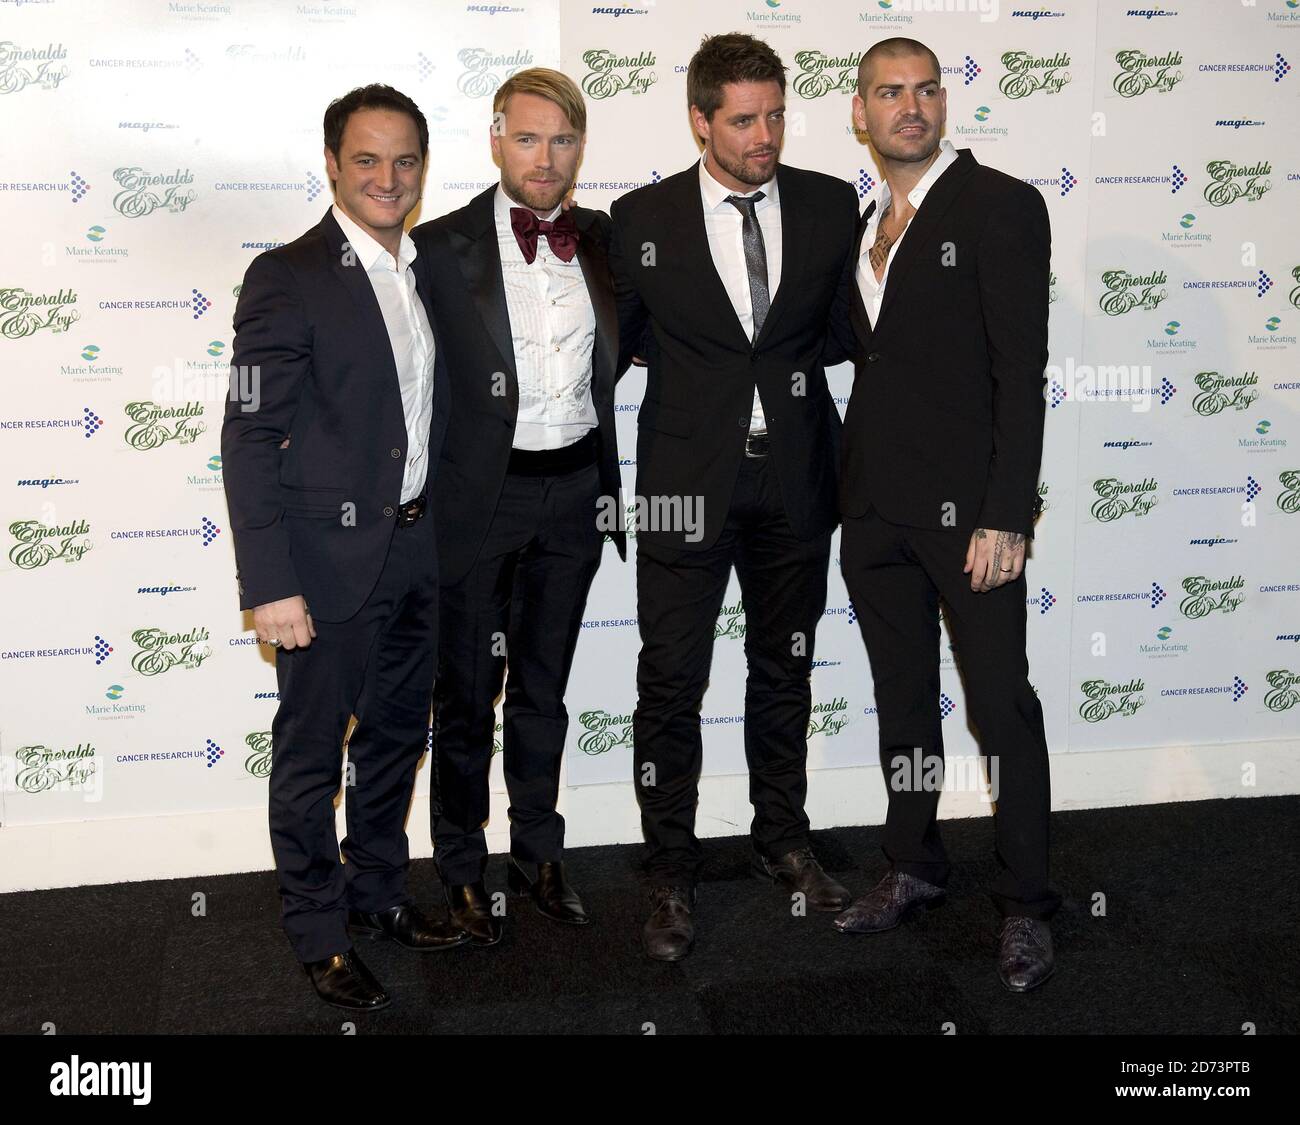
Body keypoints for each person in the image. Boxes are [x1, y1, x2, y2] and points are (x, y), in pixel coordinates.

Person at [610, 33, 858, 962]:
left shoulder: (834, 206)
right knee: (671, 679)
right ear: (700, 120)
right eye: (745, 120)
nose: (766, 136)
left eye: (778, 115)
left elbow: (839, 335)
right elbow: (620, 344)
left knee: (783, 667)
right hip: (684, 486)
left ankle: (781, 839)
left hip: (795, 479)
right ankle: (670, 866)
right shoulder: (641, 219)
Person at [221, 84, 467, 1012]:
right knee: (313, 754)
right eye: (367, 160)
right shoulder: (283, 275)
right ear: (332, 163)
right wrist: (270, 582)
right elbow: (248, 434)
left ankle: (378, 894)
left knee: (400, 738)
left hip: (415, 551)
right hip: (322, 570)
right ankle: (318, 931)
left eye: (404, 160)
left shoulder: (428, 267)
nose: (387, 178)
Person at [829, 38, 1059, 991]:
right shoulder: (858, 218)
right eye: (890, 92)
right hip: (875, 510)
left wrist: (1007, 511)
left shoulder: (1001, 205)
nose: (910, 107)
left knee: (1001, 705)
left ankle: (1028, 899)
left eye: (926, 90)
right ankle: (914, 860)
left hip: (972, 519)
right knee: (903, 702)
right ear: (861, 112)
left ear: (945, 104)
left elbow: (1021, 371)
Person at [410, 69, 624, 943]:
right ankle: (460, 868)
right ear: (496, 138)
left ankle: (540, 852)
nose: (546, 159)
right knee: (464, 695)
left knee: (545, 690)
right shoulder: (435, 245)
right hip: (477, 502)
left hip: (576, 492)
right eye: (528, 138)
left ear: (580, 148)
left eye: (563, 140)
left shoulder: (608, 242)